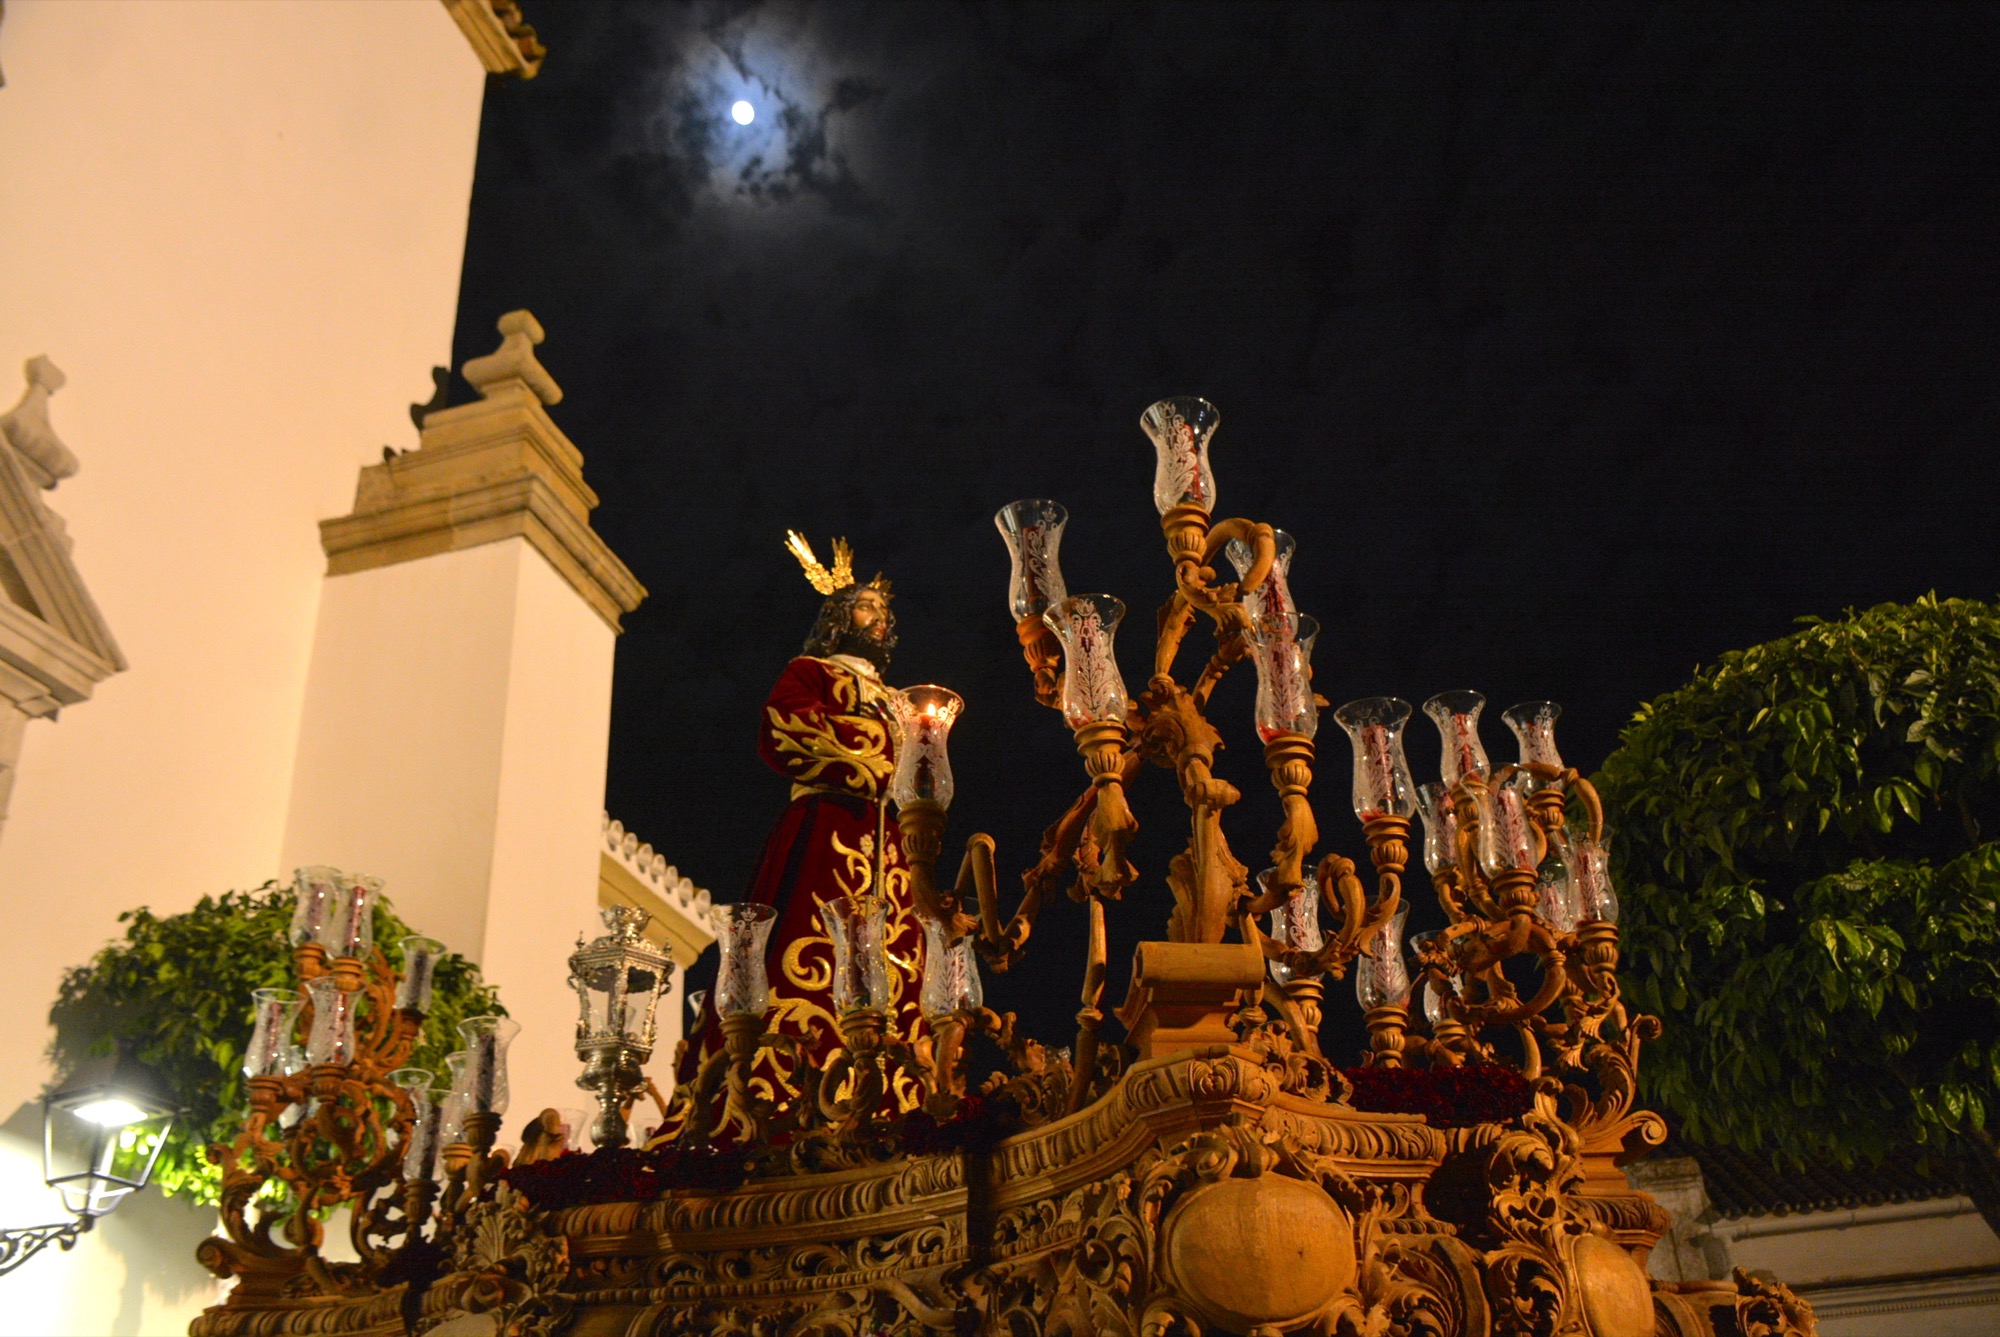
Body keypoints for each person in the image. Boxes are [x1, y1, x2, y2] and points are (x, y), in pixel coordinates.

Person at [671, 534, 926, 1113]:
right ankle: (780, 1089)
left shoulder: (898, 698)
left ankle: (897, 1094)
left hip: (890, 845)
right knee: (808, 944)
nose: (878, 618)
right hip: (827, 828)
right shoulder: (811, 671)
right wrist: (883, 748)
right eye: (865, 607)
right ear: (839, 617)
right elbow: (787, 725)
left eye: (883, 611)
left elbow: (919, 764)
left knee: (902, 963)